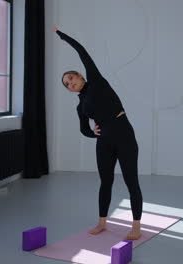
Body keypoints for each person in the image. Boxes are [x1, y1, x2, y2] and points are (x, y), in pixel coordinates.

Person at [53, 26, 143, 240]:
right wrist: (94, 133)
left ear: (81, 76)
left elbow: (82, 51)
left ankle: (136, 226)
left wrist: (63, 35)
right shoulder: (80, 106)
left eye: (71, 78)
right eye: (67, 84)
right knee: (106, 181)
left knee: (131, 181)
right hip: (104, 141)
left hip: (123, 133)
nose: (70, 83)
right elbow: (84, 129)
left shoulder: (96, 81)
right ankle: (102, 222)